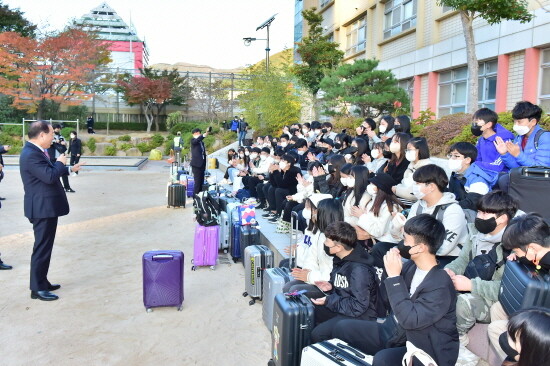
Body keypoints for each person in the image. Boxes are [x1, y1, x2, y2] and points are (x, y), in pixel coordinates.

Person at [332, 214, 459, 366]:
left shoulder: (441, 284)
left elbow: (410, 320)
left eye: (405, 239)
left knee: (383, 359)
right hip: (395, 331)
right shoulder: (411, 267)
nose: (401, 243)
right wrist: (389, 272)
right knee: (342, 328)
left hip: (425, 348)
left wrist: (394, 278)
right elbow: (386, 301)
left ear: (420, 248)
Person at [444, 191, 519, 365]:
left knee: (465, 302)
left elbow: (506, 289)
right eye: (478, 211)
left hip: (493, 298)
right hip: (472, 281)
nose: (479, 216)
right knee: (440, 283)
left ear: (502, 218)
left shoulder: (513, 247)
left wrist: (471, 285)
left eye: (485, 213)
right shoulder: (475, 233)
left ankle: (459, 340)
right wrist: (450, 270)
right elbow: (462, 260)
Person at [20, 121, 84, 301]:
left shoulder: (36, 151)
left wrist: (69, 168)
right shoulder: (30, 154)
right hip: (41, 208)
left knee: (45, 247)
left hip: (45, 208)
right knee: (41, 248)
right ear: (41, 135)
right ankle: (37, 288)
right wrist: (59, 162)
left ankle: (42, 281)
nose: (52, 138)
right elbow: (49, 176)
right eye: (50, 135)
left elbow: (48, 172)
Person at [380, 164, 467, 268]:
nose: (414, 187)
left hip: (446, 256)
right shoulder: (418, 205)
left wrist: (412, 251)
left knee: (410, 265)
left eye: (417, 183)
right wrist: (397, 225)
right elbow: (404, 235)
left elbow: (445, 247)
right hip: (417, 248)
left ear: (431, 187)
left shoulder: (452, 210)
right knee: (380, 249)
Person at [310, 221, 379, 343]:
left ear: (338, 247)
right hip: (343, 305)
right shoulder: (341, 258)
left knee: (318, 334)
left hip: (360, 316)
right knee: (308, 313)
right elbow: (345, 287)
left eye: (327, 241)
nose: (325, 243)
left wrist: (329, 300)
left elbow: (358, 306)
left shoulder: (359, 270)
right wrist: (331, 286)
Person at [282, 195, 339, 294]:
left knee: (291, 289)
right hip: (316, 276)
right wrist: (306, 273)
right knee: (288, 285)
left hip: (327, 286)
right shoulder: (319, 233)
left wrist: (309, 276)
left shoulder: (334, 240)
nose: (313, 214)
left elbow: (331, 275)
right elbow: (311, 257)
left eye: (316, 211)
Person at [495, 101, 550, 191]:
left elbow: (541, 169)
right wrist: (505, 154)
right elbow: (516, 168)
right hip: (526, 177)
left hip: (540, 181)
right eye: (515, 121)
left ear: (533, 122)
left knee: (504, 180)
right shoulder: (519, 138)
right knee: (498, 178)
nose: (515, 125)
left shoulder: (545, 137)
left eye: (519, 122)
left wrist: (518, 155)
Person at [352, 173, 402, 247]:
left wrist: (362, 215)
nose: (369, 186)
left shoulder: (389, 207)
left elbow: (378, 231)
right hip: (372, 238)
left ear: (381, 188)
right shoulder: (373, 200)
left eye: (373, 184)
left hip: (383, 242)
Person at [447, 142, 496, 212]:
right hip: (460, 209)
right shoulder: (456, 173)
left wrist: (448, 208)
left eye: (456, 156)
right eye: (450, 155)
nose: (451, 159)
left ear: (467, 160)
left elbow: (472, 204)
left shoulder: (478, 179)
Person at [471, 108, 514, 177]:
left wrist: (476, 165)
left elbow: (499, 166)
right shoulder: (481, 140)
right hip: (485, 173)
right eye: (473, 122)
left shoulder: (503, 140)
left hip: (500, 175)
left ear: (488, 124)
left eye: (477, 122)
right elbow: (477, 158)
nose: (474, 125)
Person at [393, 137, 432, 204]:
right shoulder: (411, 166)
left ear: (419, 150)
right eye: (406, 150)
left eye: (410, 150)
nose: (407, 152)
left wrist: (397, 189)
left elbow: (414, 194)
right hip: (403, 200)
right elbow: (403, 183)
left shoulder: (427, 168)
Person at [48, 124, 74, 193]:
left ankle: (67, 187)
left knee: (64, 173)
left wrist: (64, 143)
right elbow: (49, 143)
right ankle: (54, 188)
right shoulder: (50, 136)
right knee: (54, 173)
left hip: (61, 157)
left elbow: (65, 143)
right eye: (57, 128)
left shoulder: (61, 136)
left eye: (59, 128)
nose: (58, 130)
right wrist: (57, 141)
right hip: (52, 157)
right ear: (53, 129)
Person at [190, 127, 210, 195]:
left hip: (202, 164)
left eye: (200, 133)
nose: (199, 134)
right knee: (197, 182)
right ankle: (195, 196)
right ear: (194, 134)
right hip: (196, 164)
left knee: (201, 181)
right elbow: (197, 140)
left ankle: (200, 196)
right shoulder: (193, 140)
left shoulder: (201, 142)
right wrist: (204, 134)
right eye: (198, 133)